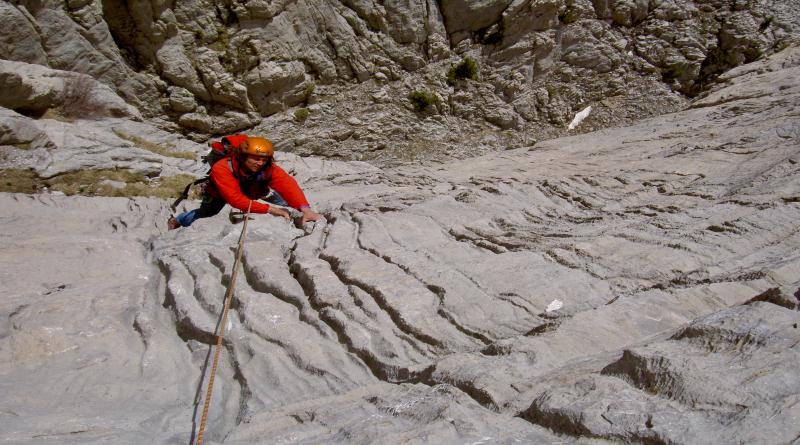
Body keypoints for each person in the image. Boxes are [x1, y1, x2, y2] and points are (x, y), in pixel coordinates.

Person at [168, 136, 321, 229]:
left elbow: (287, 184)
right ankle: (178, 220)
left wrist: (304, 208)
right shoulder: (222, 168)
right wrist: (270, 209)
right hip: (220, 193)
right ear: (242, 156)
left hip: (254, 189)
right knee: (205, 214)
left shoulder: (268, 167)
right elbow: (235, 199)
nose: (260, 163)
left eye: (263, 159)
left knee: (288, 203)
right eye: (255, 158)